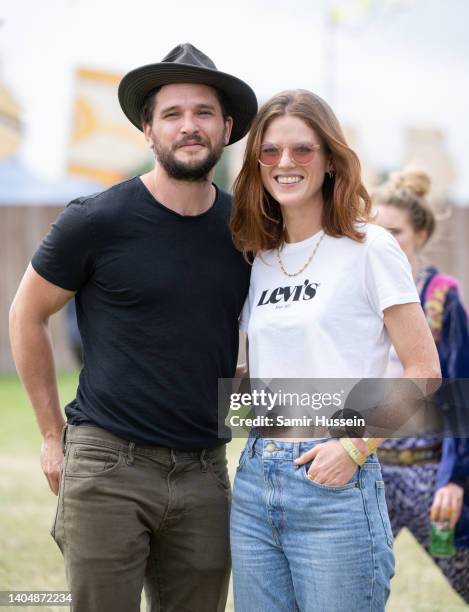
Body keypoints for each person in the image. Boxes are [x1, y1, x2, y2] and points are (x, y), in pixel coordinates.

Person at [9, 43, 257, 612]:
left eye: (203, 114)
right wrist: (51, 435)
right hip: (107, 465)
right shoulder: (95, 219)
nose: (188, 126)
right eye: (172, 114)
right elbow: (26, 314)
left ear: (226, 129)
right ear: (148, 131)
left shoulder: (245, 230)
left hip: (205, 470)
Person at [229, 89, 441, 612]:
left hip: (335, 482)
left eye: (303, 149)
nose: (286, 163)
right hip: (256, 478)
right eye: (270, 151)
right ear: (257, 163)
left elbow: (423, 369)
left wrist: (353, 448)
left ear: (329, 159)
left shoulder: (370, 247)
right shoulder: (261, 258)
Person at [374, 167, 469, 603]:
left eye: (395, 231)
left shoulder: (440, 296)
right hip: (367, 466)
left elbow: (459, 392)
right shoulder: (356, 292)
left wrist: (454, 479)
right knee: (350, 586)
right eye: (374, 230)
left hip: (428, 470)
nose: (383, 240)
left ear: (421, 234)